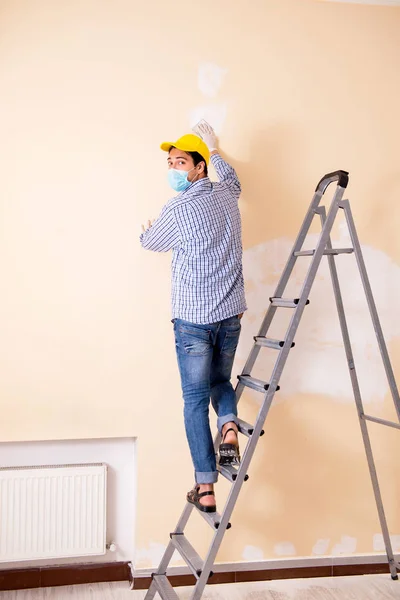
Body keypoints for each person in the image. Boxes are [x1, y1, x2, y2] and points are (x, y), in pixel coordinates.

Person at [140, 122, 246, 513]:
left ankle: (204, 488)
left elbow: (150, 243)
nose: (173, 168)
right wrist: (217, 149)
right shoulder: (226, 194)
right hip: (230, 312)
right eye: (170, 162)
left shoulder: (178, 208)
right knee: (221, 381)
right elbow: (234, 179)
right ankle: (230, 426)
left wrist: (147, 228)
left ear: (198, 168)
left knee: (194, 401)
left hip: (193, 321)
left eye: (180, 161)